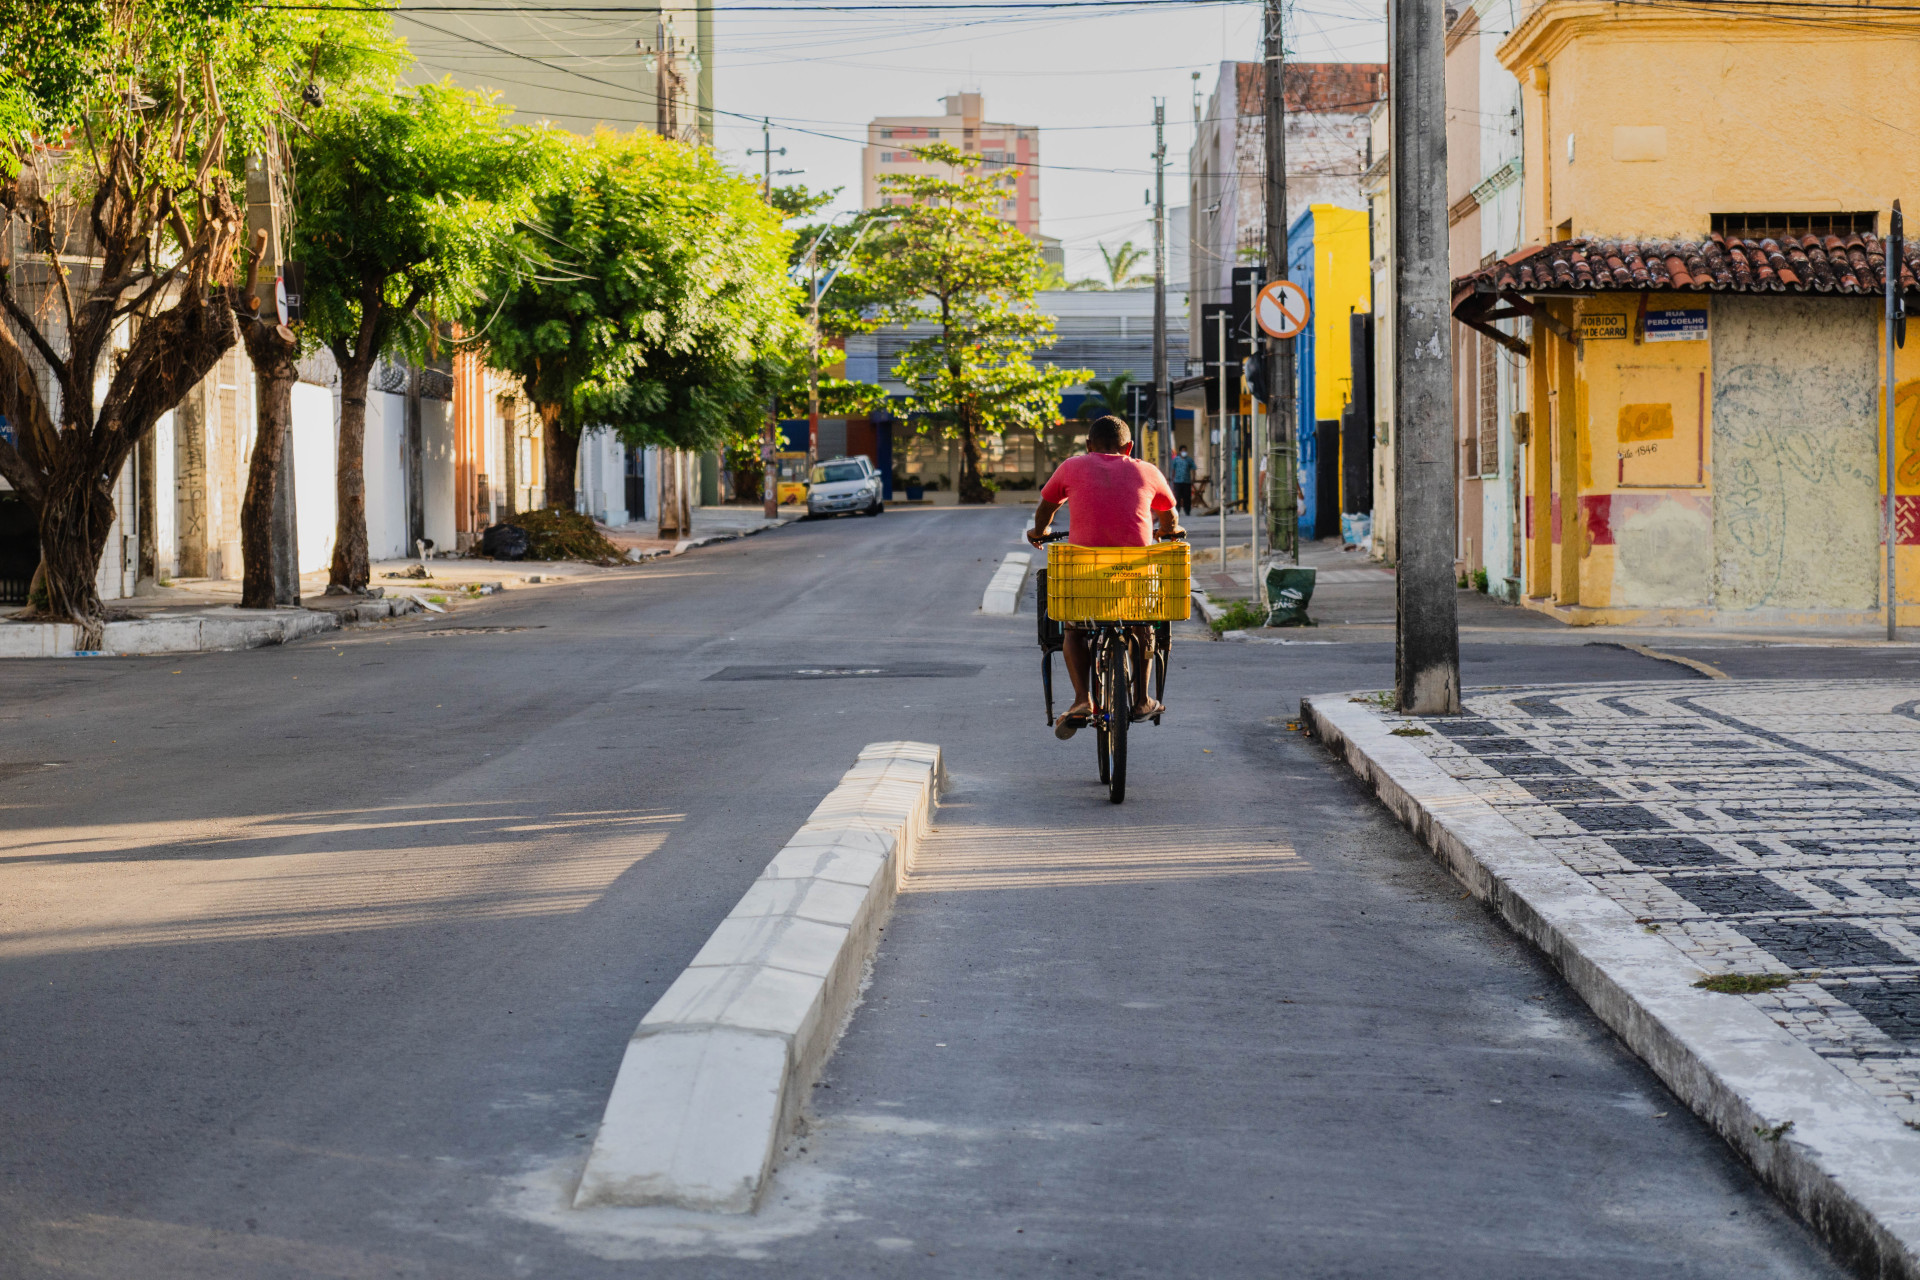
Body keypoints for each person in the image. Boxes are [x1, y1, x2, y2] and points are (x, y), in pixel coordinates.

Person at [1028, 415, 1183, 739]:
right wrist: (1168, 531)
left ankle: (1082, 700)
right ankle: (1142, 700)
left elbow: (1046, 508)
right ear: (1129, 447)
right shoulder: (1147, 470)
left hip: (1086, 574)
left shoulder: (1071, 467)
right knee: (1142, 624)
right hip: (1134, 573)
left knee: (1073, 628)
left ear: (1088, 445)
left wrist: (1039, 532)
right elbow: (1169, 518)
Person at [1169, 445, 1196, 516]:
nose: (1184, 452)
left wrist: (1193, 478)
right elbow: (1173, 469)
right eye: (1183, 451)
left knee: (1187, 496)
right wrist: (1173, 478)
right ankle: (1177, 510)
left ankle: (1187, 510)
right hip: (1177, 481)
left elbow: (1193, 469)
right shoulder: (1176, 460)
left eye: (1185, 450)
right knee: (1177, 496)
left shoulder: (1189, 460)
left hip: (1187, 481)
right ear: (1180, 451)